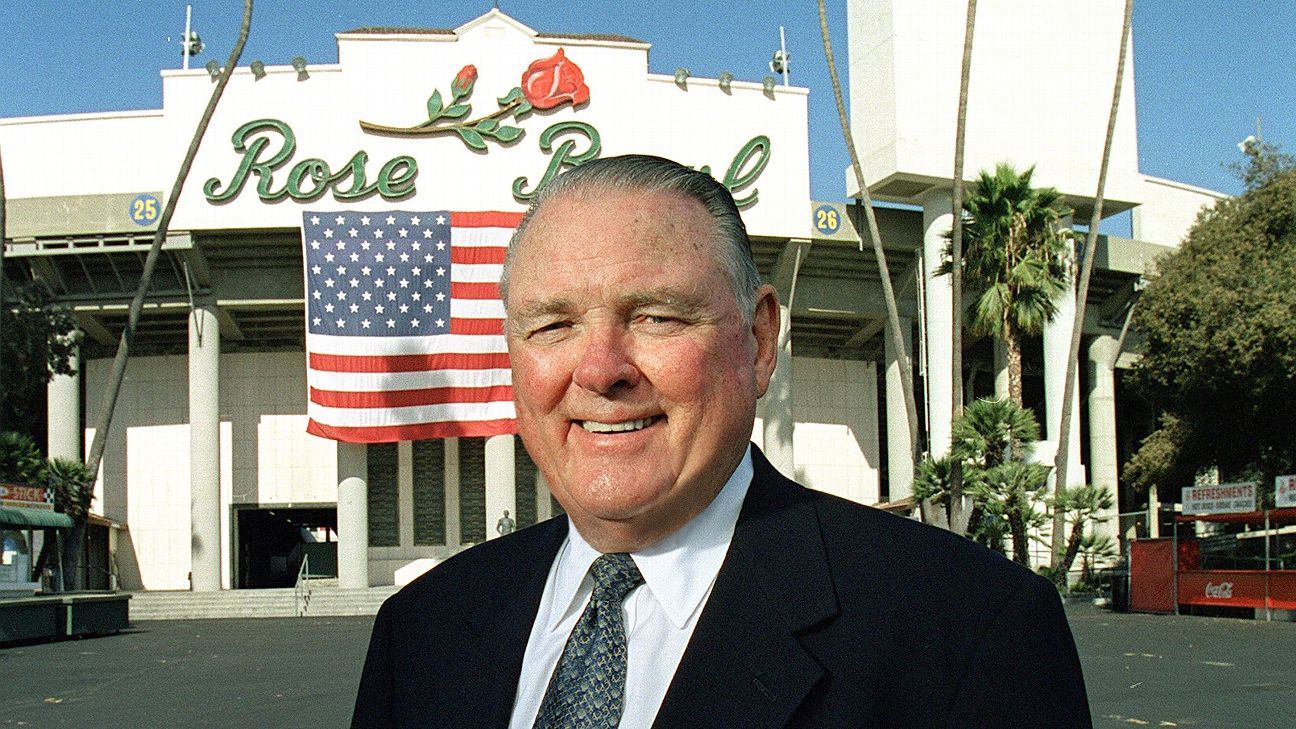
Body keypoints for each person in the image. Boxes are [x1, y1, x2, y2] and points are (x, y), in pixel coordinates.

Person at [352, 155, 1092, 728]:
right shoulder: (420, 632)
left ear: (760, 341)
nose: (602, 370)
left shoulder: (964, 632)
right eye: (552, 325)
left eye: (657, 317)